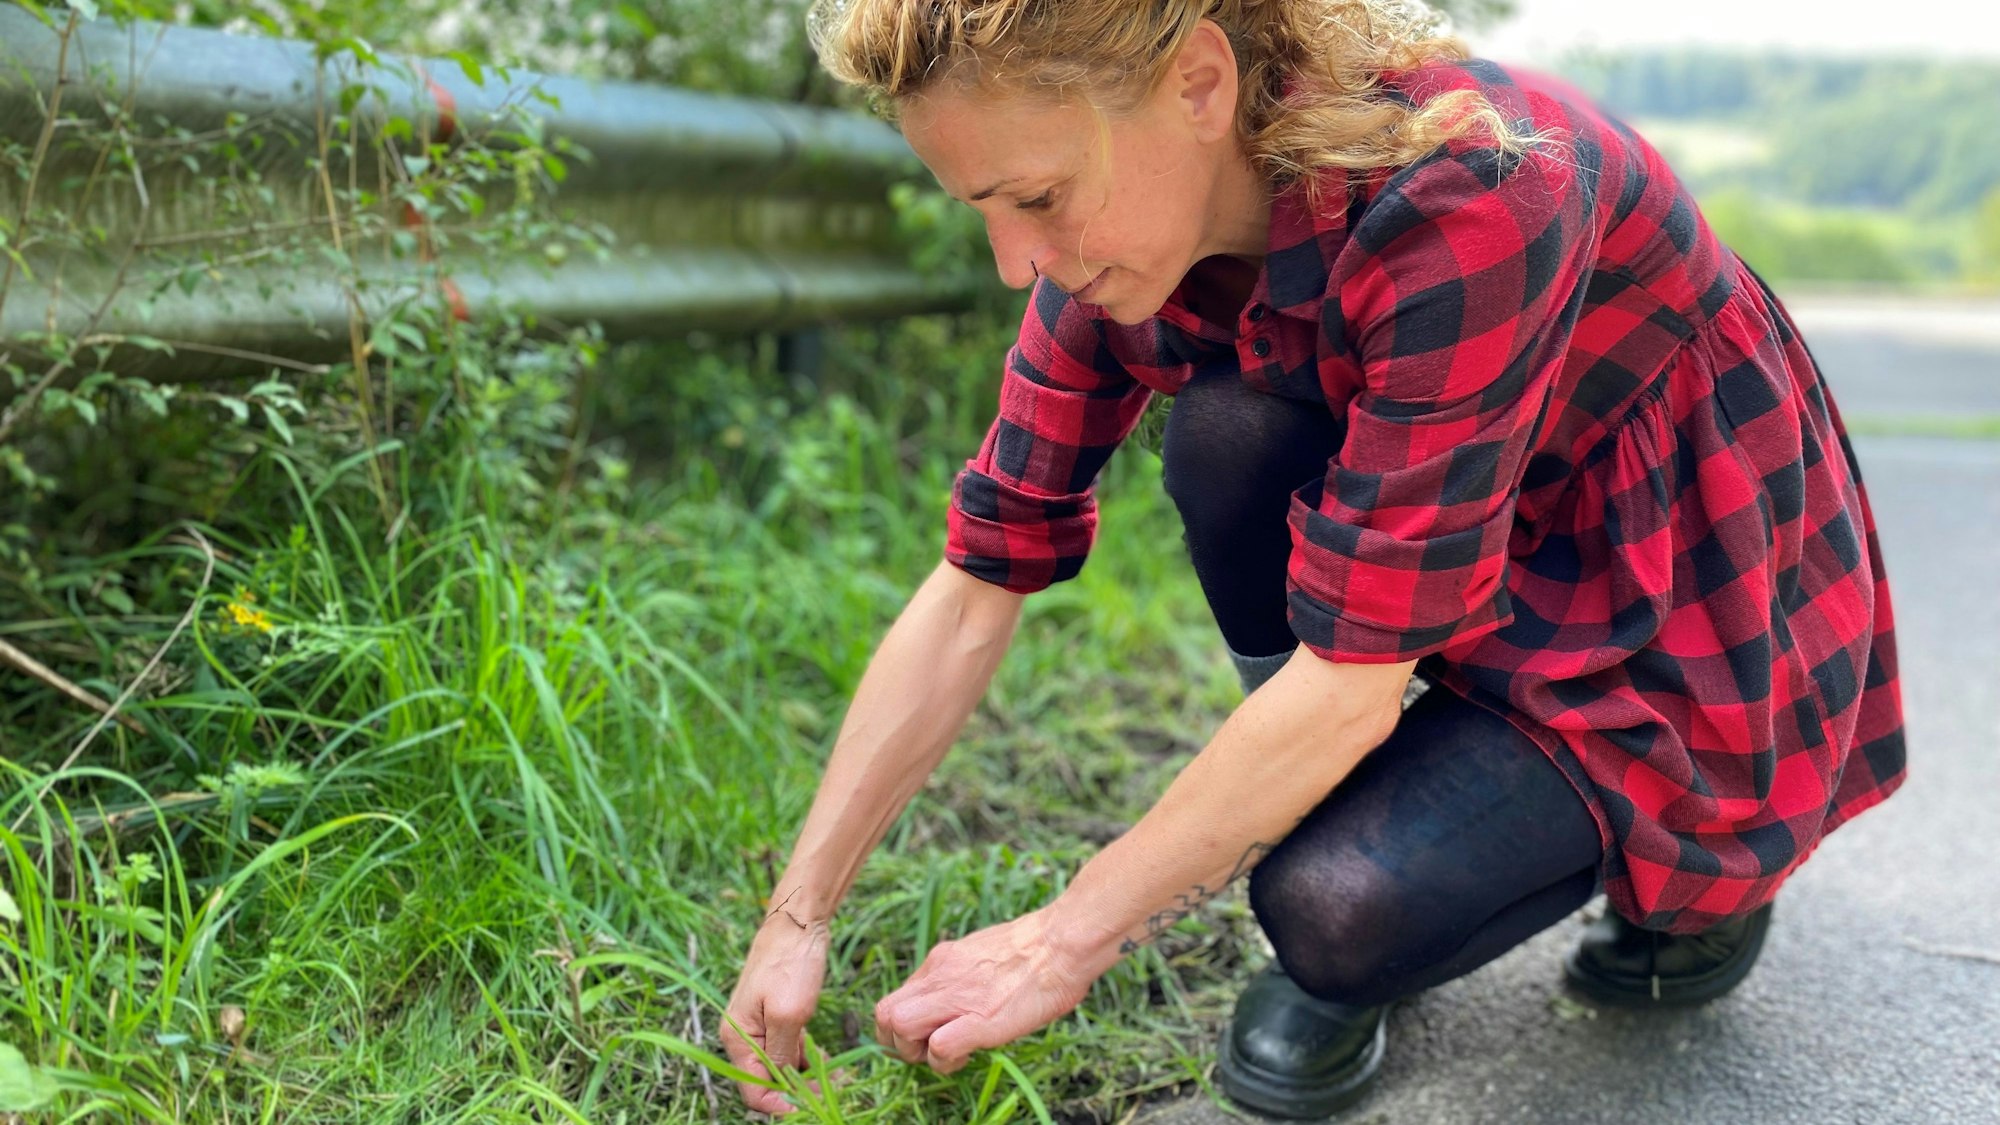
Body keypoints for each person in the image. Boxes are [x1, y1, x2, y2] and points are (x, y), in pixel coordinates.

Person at [720, 0, 1910, 1118]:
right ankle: (1362, 809)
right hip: (1428, 549)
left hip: (1658, 580)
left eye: (1035, 195)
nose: (1012, 262)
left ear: (1196, 83)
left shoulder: (1479, 189)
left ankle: (1702, 883)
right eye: (985, 208)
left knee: (1331, 909)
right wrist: (795, 914)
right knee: (1228, 434)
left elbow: (1343, 684)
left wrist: (1064, 935)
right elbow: (980, 578)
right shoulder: (1105, 249)